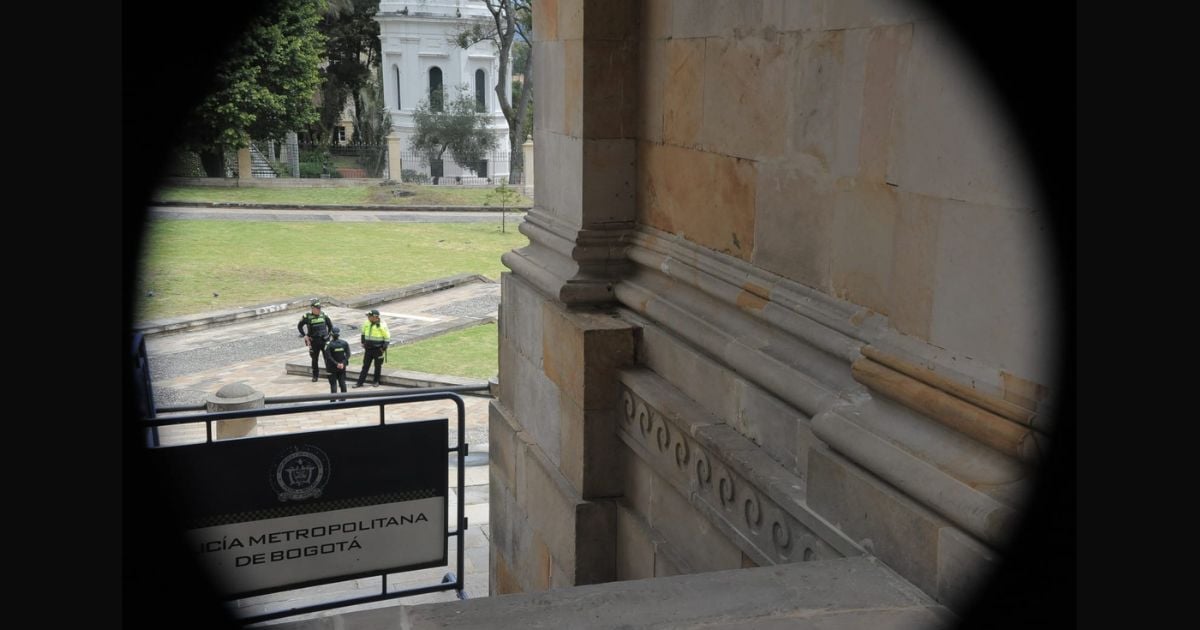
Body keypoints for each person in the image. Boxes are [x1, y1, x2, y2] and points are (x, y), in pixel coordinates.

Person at [297, 300, 334, 382]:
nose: (319, 310)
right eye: (317, 308)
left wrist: (328, 336)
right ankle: (315, 376)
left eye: (319, 308)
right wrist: (305, 335)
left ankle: (330, 375)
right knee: (314, 360)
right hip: (314, 342)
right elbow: (299, 326)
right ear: (312, 308)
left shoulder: (324, 315)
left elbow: (330, 326)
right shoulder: (307, 316)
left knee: (327, 358)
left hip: (324, 341)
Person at [354, 308, 391, 388]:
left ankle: (376, 381)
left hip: (378, 350)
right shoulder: (366, 323)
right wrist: (363, 342)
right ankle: (360, 382)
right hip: (368, 349)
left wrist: (383, 348)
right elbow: (363, 333)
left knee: (377, 366)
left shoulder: (382, 325)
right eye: (368, 316)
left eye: (370, 316)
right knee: (365, 366)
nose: (368, 318)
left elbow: (387, 337)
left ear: (376, 317)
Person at [322, 326, 352, 400]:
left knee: (333, 384)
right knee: (342, 382)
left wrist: (336, 364)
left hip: (332, 368)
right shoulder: (344, 343)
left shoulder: (328, 344)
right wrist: (342, 363)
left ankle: (333, 400)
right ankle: (343, 399)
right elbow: (348, 355)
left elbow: (328, 357)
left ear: (331, 334)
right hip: (342, 367)